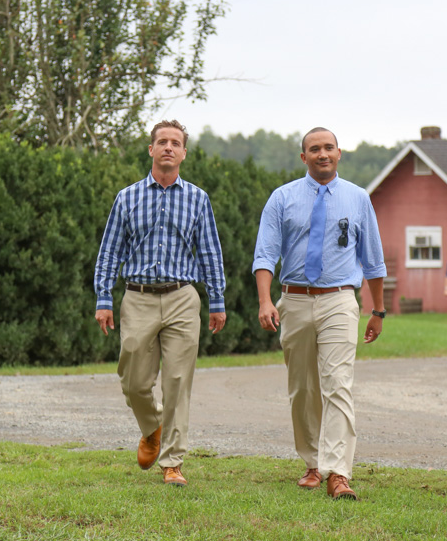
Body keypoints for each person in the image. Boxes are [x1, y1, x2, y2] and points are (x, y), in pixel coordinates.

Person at [252, 127, 387, 501]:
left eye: (328, 147)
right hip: (293, 300)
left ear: (339, 153)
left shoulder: (358, 199)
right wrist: (266, 300)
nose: (322, 154)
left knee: (338, 384)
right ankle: (312, 463)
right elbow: (265, 255)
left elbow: (373, 260)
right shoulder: (282, 198)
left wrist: (379, 310)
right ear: (303, 157)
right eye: (314, 149)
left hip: (340, 300)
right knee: (303, 389)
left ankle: (338, 473)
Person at [93, 119, 227, 488]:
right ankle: (152, 428)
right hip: (137, 298)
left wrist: (217, 299)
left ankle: (172, 463)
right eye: (162, 142)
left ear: (184, 153)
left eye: (176, 143)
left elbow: (210, 252)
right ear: (151, 150)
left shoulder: (198, 199)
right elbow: (109, 253)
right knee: (134, 381)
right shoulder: (128, 197)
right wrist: (104, 297)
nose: (169, 147)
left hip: (184, 297)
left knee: (178, 381)